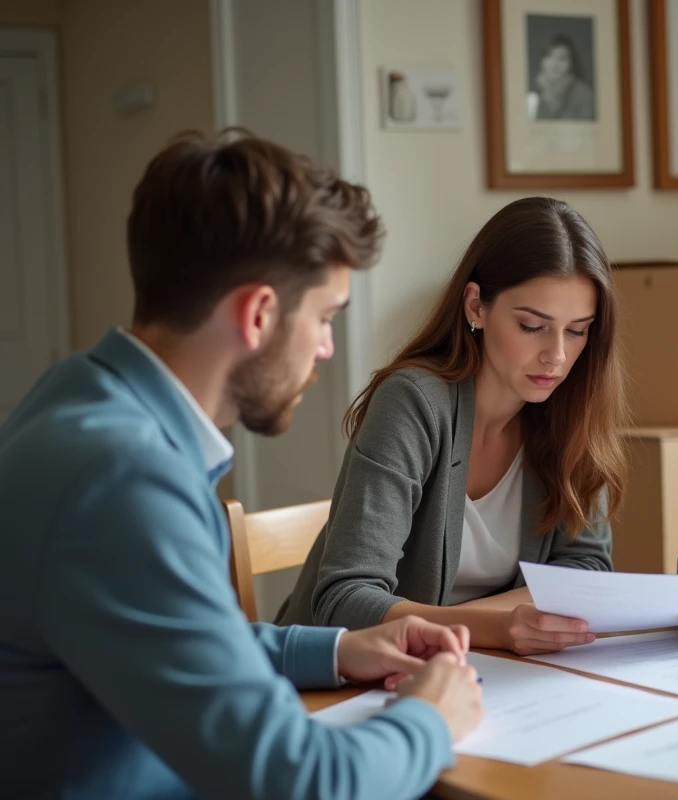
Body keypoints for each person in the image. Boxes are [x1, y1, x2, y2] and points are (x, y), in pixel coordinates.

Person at [0, 130, 483, 799]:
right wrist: (430, 718)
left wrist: (338, 649)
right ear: (259, 314)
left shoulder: (79, 398)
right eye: (324, 317)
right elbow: (298, 783)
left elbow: (175, 640)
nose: (325, 349)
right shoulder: (122, 479)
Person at [277, 197, 629, 657]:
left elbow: (585, 569)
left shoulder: (574, 410)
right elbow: (345, 599)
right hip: (336, 682)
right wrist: (497, 625)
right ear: (476, 306)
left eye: (577, 330)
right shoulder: (413, 402)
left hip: (481, 669)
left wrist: (501, 624)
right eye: (531, 325)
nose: (557, 356)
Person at [529, 33, 596, 121]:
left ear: (571, 63)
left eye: (562, 58)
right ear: (542, 61)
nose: (554, 64)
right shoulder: (532, 94)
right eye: (549, 56)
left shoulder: (584, 94)